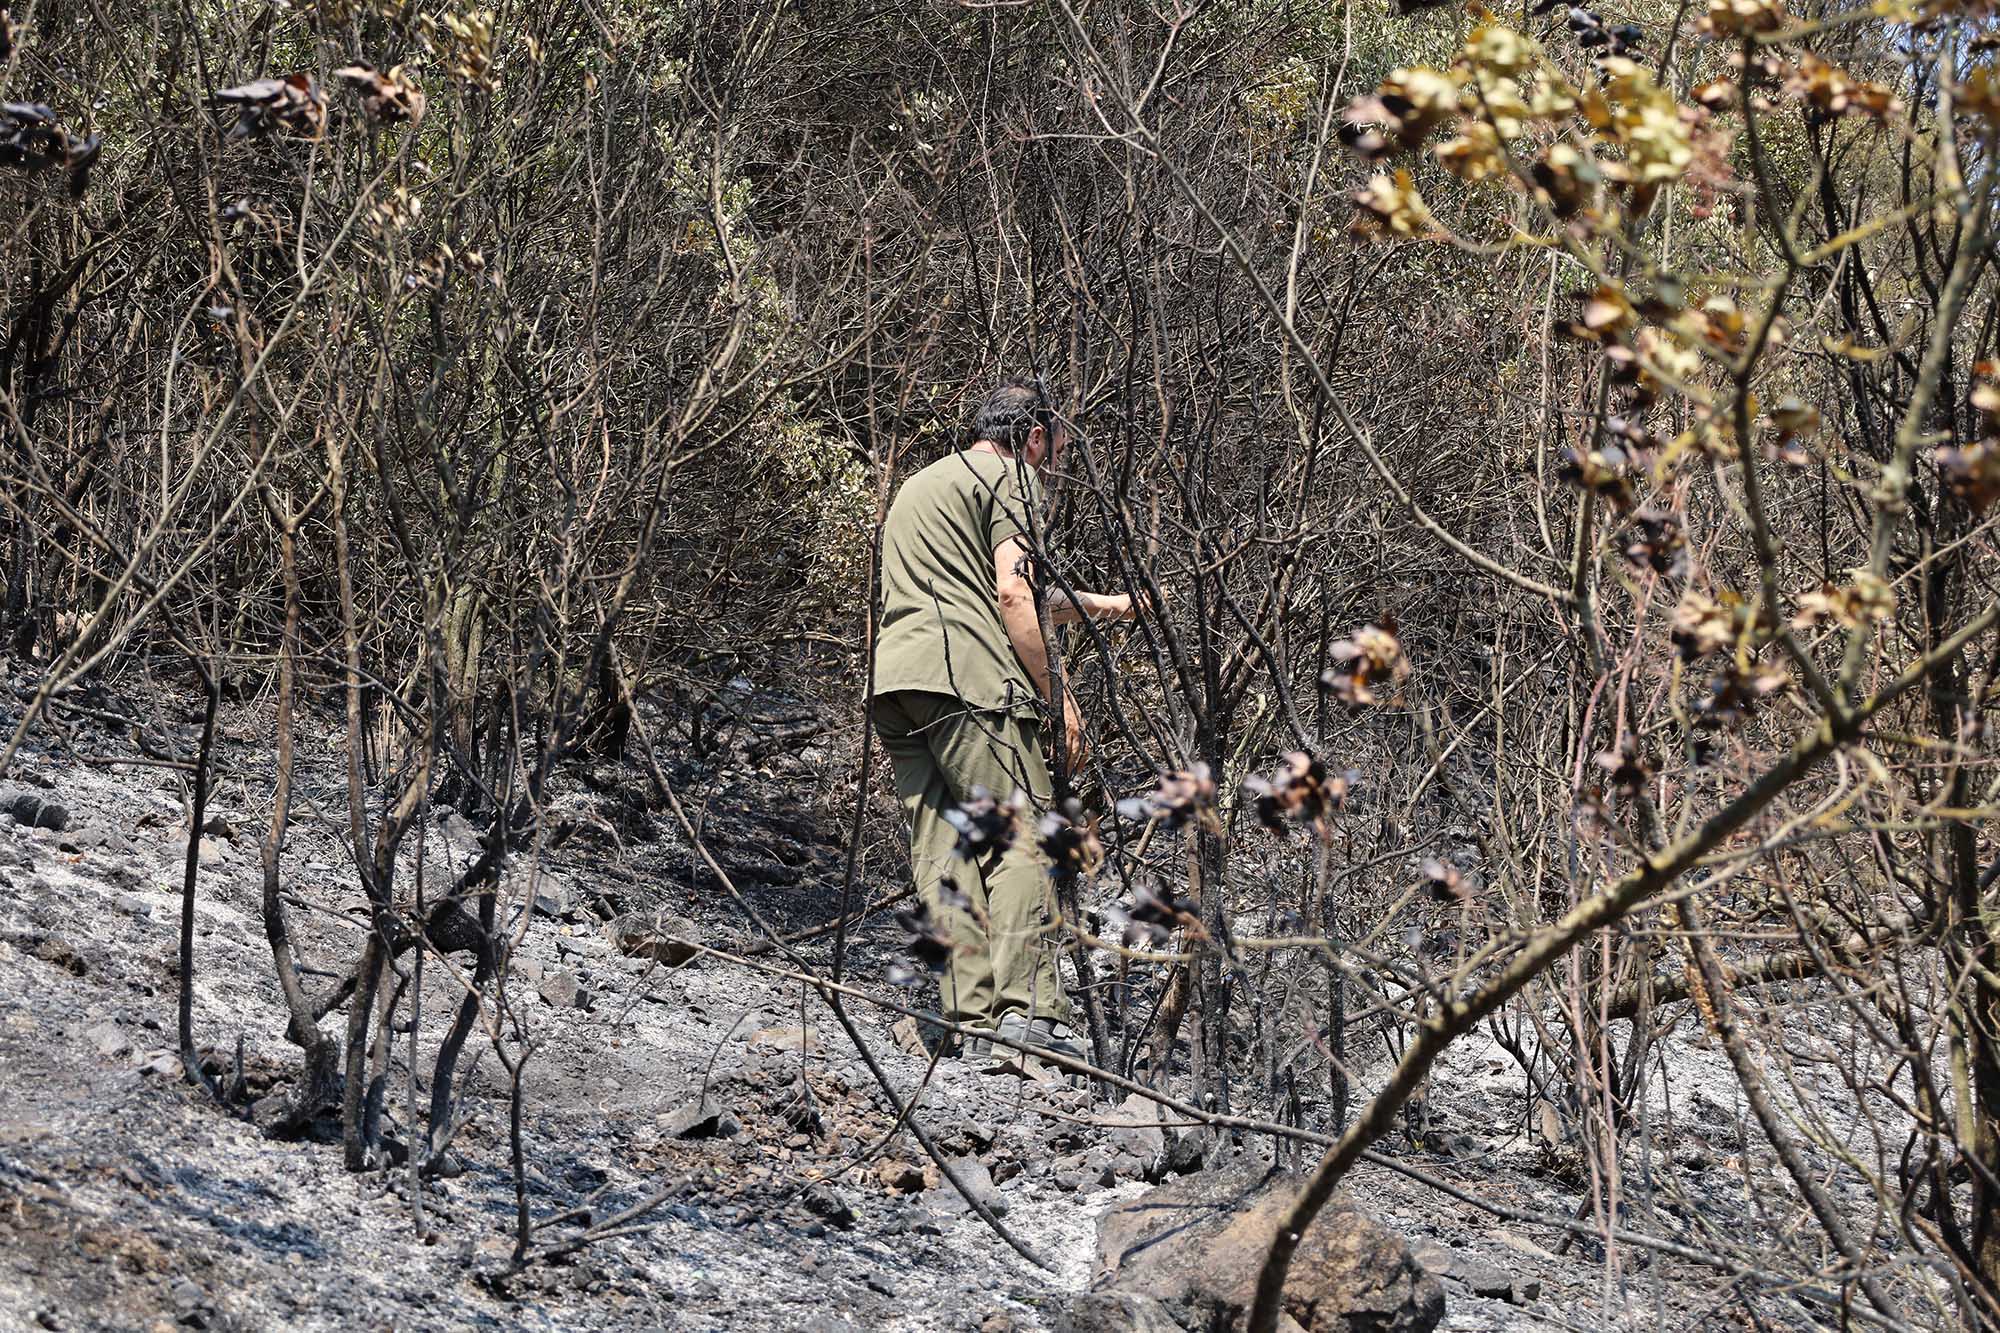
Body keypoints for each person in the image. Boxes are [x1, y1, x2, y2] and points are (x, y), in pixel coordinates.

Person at [871, 376, 1136, 1075]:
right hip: (972, 682)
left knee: (943, 849)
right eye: (1053, 450)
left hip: (899, 683)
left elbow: (1006, 590)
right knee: (1020, 837)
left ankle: (969, 1012)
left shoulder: (922, 486)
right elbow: (1012, 591)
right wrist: (1062, 697)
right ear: (1037, 437)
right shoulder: (1010, 477)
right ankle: (1029, 1015)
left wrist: (1109, 605)